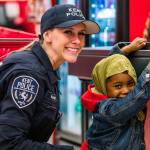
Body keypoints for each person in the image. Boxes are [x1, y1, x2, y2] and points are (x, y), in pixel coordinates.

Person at [0, 4, 100, 150]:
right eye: (68, 32)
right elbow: (8, 143)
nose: (77, 40)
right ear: (47, 35)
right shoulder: (30, 75)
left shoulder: (45, 67)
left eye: (81, 34)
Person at [80, 54, 150, 149]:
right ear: (103, 87)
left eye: (130, 83)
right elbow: (134, 100)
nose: (125, 90)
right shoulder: (107, 110)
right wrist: (148, 72)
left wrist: (123, 50)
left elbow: (106, 66)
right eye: (118, 86)